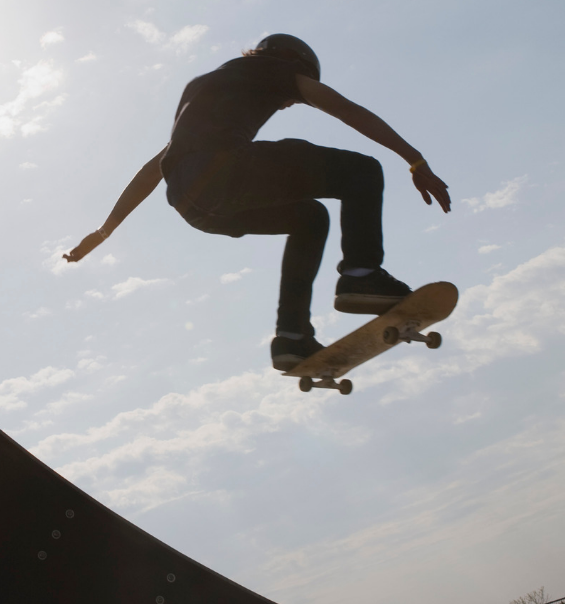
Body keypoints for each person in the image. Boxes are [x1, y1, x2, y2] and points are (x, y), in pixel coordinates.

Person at [62, 34, 452, 370]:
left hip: (190, 202)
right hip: (226, 169)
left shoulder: (205, 89)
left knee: (309, 218)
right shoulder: (276, 70)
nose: (287, 104)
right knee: (363, 171)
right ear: (292, 62)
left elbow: (154, 168)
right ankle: (362, 274)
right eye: (292, 100)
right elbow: (347, 110)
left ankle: (291, 336)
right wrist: (415, 160)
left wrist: (105, 230)